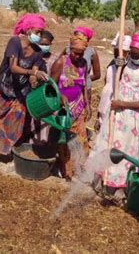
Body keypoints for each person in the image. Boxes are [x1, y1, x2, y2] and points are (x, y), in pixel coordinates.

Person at [90, 33, 139, 203]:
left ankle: (117, 190)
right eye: (131, 53)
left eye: (136, 55)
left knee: (124, 151)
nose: (133, 57)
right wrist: (119, 65)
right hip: (116, 113)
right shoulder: (126, 61)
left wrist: (124, 104)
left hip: (132, 118)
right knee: (108, 144)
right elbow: (120, 81)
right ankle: (103, 182)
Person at [0, 13, 48, 163]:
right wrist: (32, 72)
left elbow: (34, 72)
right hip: (4, 89)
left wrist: (34, 79)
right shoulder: (14, 42)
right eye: (36, 31)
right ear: (28, 30)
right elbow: (13, 68)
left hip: (20, 93)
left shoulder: (38, 51)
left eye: (40, 32)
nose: (38, 35)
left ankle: (8, 150)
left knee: (14, 124)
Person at [51, 34, 91, 180]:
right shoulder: (61, 62)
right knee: (65, 141)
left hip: (79, 106)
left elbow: (84, 85)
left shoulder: (84, 63)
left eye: (81, 54)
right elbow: (51, 84)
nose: (77, 56)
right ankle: (67, 172)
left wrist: (87, 103)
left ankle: (80, 169)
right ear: (69, 49)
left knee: (81, 140)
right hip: (63, 109)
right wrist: (60, 96)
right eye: (75, 53)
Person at [94, 33, 132, 132]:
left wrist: (122, 67)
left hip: (116, 113)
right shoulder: (111, 65)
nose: (118, 54)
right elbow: (105, 88)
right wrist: (98, 116)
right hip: (104, 107)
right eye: (116, 51)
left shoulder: (130, 68)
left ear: (128, 53)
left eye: (122, 51)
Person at [31, 30, 58, 145]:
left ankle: (45, 146)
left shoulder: (55, 59)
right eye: (41, 44)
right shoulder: (33, 57)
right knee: (34, 121)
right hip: (34, 93)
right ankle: (33, 145)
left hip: (48, 95)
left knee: (47, 122)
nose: (43, 46)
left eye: (46, 44)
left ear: (50, 45)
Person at [64, 27, 101, 100]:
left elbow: (97, 75)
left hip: (85, 90)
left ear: (86, 40)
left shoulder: (92, 52)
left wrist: (81, 80)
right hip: (67, 87)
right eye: (76, 36)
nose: (78, 39)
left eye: (81, 37)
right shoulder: (68, 48)